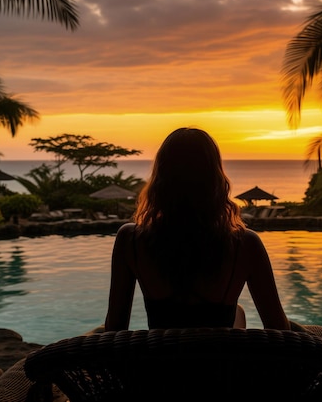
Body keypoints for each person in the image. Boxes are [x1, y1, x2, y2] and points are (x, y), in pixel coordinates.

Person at [103, 127, 290, 331]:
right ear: (215, 179)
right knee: (237, 312)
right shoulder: (245, 244)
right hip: (218, 362)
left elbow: (115, 328)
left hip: (161, 361)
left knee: (238, 312)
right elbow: (278, 329)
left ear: (161, 177)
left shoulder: (130, 240)